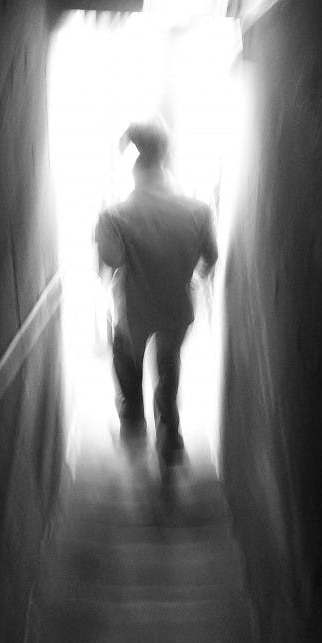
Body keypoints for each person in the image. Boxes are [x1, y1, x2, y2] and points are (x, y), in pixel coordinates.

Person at [95, 119, 218, 468]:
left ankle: (133, 423)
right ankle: (171, 437)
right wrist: (192, 278)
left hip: (135, 307)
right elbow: (210, 258)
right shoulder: (198, 210)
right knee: (169, 365)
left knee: (125, 354)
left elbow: (111, 260)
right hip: (177, 306)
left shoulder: (116, 215)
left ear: (134, 167)